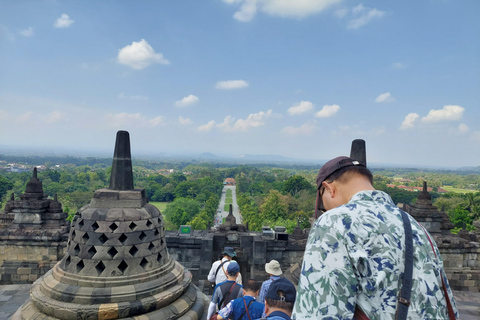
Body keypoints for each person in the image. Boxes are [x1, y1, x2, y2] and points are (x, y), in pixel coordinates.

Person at [292, 156, 459, 319]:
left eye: (322, 205)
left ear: (329, 189)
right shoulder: (417, 228)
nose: (325, 210)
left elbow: (320, 312)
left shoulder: (334, 222)